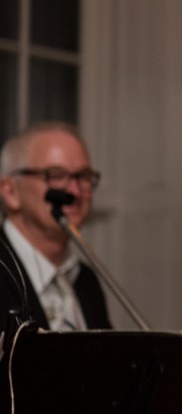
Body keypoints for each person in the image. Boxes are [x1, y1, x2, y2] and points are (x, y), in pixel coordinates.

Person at [0, 121, 111, 331]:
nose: (75, 191)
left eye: (84, 177)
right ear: (10, 191)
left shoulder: (86, 280)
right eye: (56, 176)